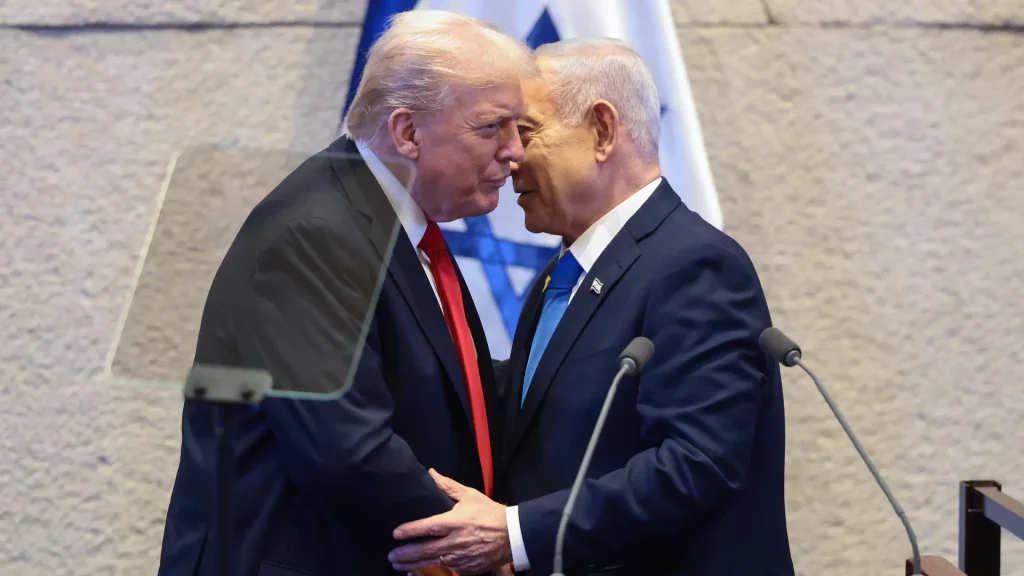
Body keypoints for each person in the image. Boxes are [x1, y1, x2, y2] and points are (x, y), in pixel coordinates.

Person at [388, 38, 795, 576]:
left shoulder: (695, 266)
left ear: (602, 131)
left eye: (526, 132)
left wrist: (512, 532)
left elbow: (696, 465)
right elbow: (537, 416)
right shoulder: (564, 272)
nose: (507, 156)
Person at [157, 11, 535, 576]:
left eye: (520, 129)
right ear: (407, 132)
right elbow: (347, 453)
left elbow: (445, 389)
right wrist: (478, 545)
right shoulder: (317, 233)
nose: (515, 152)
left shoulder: (395, 217)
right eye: (490, 128)